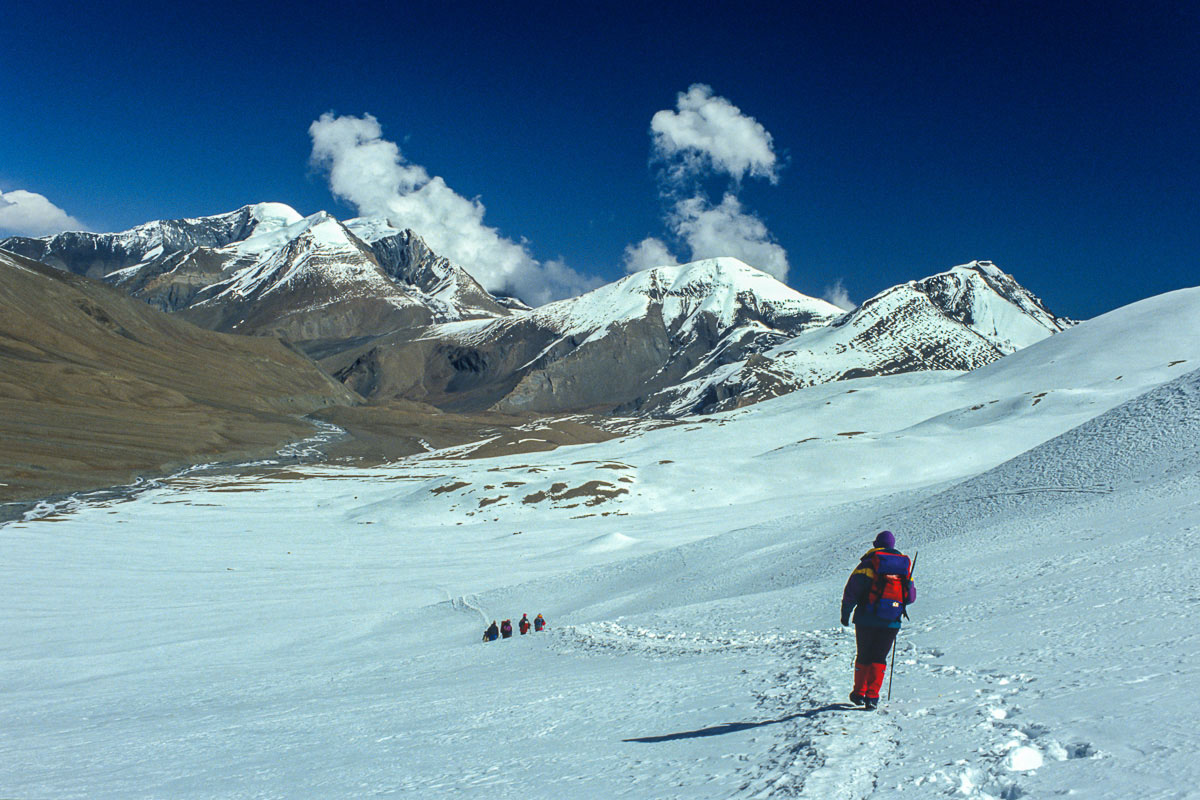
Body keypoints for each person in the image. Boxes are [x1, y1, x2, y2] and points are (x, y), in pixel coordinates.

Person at [841, 530, 916, 710]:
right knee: (879, 657)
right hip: (891, 620)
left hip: (866, 618)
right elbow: (911, 597)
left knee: (864, 655)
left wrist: (845, 613)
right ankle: (872, 697)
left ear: (876, 544)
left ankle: (859, 693)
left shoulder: (868, 563)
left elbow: (852, 590)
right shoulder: (902, 566)